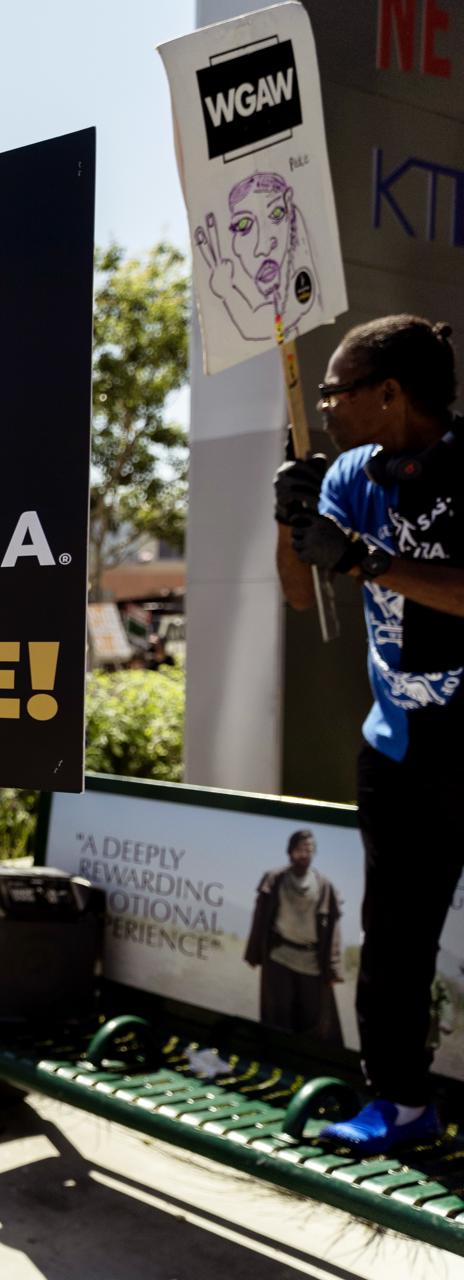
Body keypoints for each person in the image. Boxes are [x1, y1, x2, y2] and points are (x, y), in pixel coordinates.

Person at [274, 314, 464, 1153]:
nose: (323, 407)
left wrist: (367, 562)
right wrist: (291, 520)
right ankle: (401, 1103)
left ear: (388, 394)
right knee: (393, 941)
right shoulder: (351, 472)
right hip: (398, 748)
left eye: (334, 391)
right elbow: (298, 594)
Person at [245, 830, 345, 1045]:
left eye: (309, 850)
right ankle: (276, 1061)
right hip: (279, 957)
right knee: (277, 1018)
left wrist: (334, 967)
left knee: (310, 1022)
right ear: (290, 852)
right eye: (300, 849)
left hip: (311, 962)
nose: (305, 854)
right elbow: (260, 919)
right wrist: (254, 953)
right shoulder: (275, 879)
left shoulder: (324, 886)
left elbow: (333, 930)